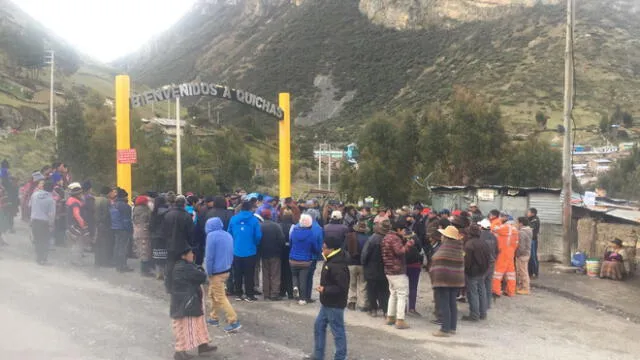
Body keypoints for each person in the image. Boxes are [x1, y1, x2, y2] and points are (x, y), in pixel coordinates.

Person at [169, 247, 217, 360]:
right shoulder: (184, 267)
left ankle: (203, 345)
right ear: (183, 256)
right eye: (190, 253)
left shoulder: (183, 265)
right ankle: (179, 352)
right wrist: (200, 270)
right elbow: (202, 276)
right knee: (184, 326)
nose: (192, 255)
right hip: (186, 303)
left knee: (199, 323)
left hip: (187, 301)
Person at [307, 236, 350, 360]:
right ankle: (318, 355)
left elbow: (342, 288)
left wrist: (325, 289)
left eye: (324, 247)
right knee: (319, 326)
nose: (322, 248)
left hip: (334, 304)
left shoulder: (337, 265)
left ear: (331, 249)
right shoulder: (331, 260)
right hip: (327, 303)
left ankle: (340, 357)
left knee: (338, 331)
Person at [204, 217, 241, 332]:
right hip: (226, 270)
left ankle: (233, 321)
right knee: (212, 293)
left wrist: (208, 272)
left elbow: (209, 257)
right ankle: (213, 317)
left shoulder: (211, 236)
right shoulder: (227, 235)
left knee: (220, 297)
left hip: (216, 272)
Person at [431, 226, 465, 337]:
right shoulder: (459, 248)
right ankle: (452, 327)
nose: (441, 237)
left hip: (444, 280)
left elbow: (436, 259)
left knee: (444, 303)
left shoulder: (445, 248)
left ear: (446, 237)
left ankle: (444, 329)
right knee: (452, 303)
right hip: (456, 279)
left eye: (443, 235)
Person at [381, 218, 415, 329]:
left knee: (393, 294)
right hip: (397, 270)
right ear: (399, 229)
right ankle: (400, 320)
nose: (404, 232)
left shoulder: (386, 237)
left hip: (388, 270)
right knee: (402, 294)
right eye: (403, 230)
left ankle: (390, 317)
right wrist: (409, 244)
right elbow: (399, 251)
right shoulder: (395, 239)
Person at [228, 201, 262, 302]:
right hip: (250, 250)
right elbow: (258, 236)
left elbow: (229, 233)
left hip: (236, 250)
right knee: (249, 274)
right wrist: (255, 243)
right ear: (250, 209)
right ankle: (249, 294)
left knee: (237, 273)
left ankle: (238, 293)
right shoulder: (254, 220)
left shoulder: (233, 219)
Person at [164, 195, 195, 292]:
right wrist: (191, 245)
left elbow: (164, 230)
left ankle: (169, 285)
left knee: (170, 265)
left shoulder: (168, 214)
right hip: (183, 245)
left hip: (169, 244)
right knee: (182, 266)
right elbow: (190, 232)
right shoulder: (187, 216)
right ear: (184, 204)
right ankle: (180, 285)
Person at [361, 220, 390, 318]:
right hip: (384, 269)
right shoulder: (388, 239)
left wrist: (364, 264)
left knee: (371, 290)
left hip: (371, 269)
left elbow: (365, 254)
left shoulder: (372, 239)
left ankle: (373, 309)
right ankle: (386, 310)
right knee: (384, 290)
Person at [462, 224, 491, 321]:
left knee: (473, 293)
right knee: (482, 292)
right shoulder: (483, 243)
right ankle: (483, 313)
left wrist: (466, 270)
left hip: (472, 273)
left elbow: (467, 261)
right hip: (483, 271)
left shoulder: (469, 244)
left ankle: (474, 315)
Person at [290, 214, 321, 305]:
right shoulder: (310, 234)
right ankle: (302, 299)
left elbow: (291, 243)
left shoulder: (294, 232)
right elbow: (315, 248)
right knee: (303, 279)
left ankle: (295, 286)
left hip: (293, 259)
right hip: (305, 260)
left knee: (294, 275)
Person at [259, 208, 286, 300]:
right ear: (270, 216)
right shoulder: (276, 226)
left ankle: (266, 294)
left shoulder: (260, 226)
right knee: (275, 274)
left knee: (265, 274)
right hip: (275, 254)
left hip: (264, 253)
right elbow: (282, 240)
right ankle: (274, 294)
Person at [492, 213, 519, 297]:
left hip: (503, 252)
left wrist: (497, 220)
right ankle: (510, 291)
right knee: (510, 273)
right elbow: (516, 243)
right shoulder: (515, 230)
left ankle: (496, 291)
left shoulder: (505, 227)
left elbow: (493, 228)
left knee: (498, 272)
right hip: (511, 253)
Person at [30, 180, 56, 264]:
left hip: (34, 220)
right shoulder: (51, 200)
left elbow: (29, 205)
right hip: (44, 222)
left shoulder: (34, 195)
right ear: (52, 190)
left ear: (43, 187)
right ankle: (43, 258)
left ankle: (38, 257)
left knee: (37, 240)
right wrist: (51, 225)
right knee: (44, 240)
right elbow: (51, 214)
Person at [347, 221, 369, 311]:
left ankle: (352, 302)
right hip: (363, 264)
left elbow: (344, 249)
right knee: (363, 284)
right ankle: (363, 304)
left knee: (352, 284)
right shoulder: (368, 238)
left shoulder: (349, 237)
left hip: (351, 263)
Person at [110, 188, 133, 272]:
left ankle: (117, 265)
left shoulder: (114, 204)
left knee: (117, 246)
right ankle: (123, 266)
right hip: (124, 229)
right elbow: (127, 220)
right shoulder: (125, 206)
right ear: (124, 197)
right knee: (123, 248)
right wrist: (130, 230)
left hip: (115, 228)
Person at [66, 183, 89, 266]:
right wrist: (83, 225)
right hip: (76, 226)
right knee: (78, 244)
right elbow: (77, 215)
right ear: (77, 194)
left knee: (73, 244)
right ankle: (76, 261)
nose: (82, 195)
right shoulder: (75, 203)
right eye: (80, 193)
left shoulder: (70, 200)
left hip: (70, 225)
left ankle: (73, 260)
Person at [478, 219, 498, 310]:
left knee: (481, 283)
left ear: (482, 227)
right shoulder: (494, 236)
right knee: (488, 283)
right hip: (492, 262)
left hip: (483, 263)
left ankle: (482, 305)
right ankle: (488, 304)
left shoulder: (480, 236)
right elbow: (497, 250)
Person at [94, 186, 115, 267]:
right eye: (111, 192)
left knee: (98, 244)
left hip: (96, 224)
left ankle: (97, 262)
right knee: (105, 244)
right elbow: (107, 214)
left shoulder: (96, 199)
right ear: (108, 193)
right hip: (104, 225)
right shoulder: (106, 201)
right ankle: (105, 262)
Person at [133, 195, 153, 276]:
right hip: (144, 231)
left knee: (141, 250)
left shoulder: (135, 209)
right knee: (145, 250)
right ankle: (145, 271)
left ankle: (144, 269)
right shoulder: (145, 210)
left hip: (137, 230)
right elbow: (148, 219)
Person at [150, 195, 170, 279]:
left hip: (155, 236)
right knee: (166, 256)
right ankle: (166, 274)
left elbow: (151, 226)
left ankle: (159, 273)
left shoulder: (153, 212)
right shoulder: (168, 212)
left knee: (157, 256)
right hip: (166, 236)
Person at [279, 209, 295, 299]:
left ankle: (281, 291)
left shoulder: (279, 225)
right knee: (289, 272)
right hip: (290, 250)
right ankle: (290, 292)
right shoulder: (293, 227)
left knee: (281, 271)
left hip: (281, 251)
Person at [516, 217, 533, 295]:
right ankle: (521, 287)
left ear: (521, 223)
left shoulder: (522, 232)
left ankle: (525, 288)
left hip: (522, 254)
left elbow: (521, 246)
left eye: (517, 222)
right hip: (527, 253)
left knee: (523, 272)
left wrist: (517, 254)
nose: (516, 224)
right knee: (522, 271)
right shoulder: (529, 230)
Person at [81, 181, 96, 250]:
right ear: (89, 189)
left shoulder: (80, 196)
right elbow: (92, 208)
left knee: (83, 231)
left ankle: (83, 246)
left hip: (81, 216)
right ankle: (88, 246)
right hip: (89, 217)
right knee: (90, 231)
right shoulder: (90, 198)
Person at [527, 208, 541, 278]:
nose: (527, 213)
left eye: (528, 212)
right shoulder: (529, 219)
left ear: (533, 213)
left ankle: (535, 273)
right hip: (528, 240)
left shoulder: (535, 220)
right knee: (529, 257)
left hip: (533, 240)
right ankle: (530, 272)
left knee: (533, 257)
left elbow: (530, 228)